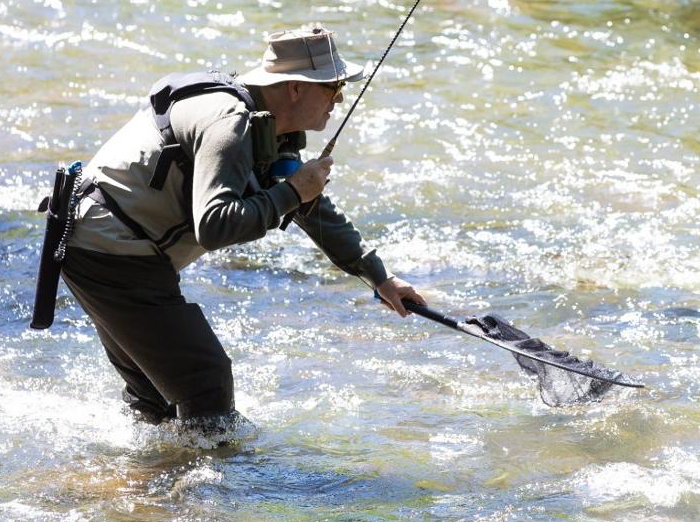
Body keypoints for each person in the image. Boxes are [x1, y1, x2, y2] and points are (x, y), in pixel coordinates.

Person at [57, 26, 425, 430]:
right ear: (294, 89)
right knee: (205, 382)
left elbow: (313, 209)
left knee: (161, 397)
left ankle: (150, 478)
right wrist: (292, 193)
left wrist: (379, 276)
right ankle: (209, 488)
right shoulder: (230, 123)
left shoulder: (272, 129)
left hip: (111, 246)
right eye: (332, 86)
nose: (339, 98)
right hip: (108, 248)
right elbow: (215, 226)